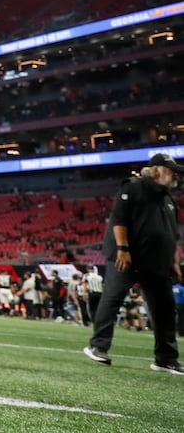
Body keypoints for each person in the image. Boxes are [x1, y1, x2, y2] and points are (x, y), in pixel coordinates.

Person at [83, 152, 182, 373]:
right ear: (157, 171)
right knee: (113, 297)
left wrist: (174, 261)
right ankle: (97, 346)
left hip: (156, 262)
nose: (176, 176)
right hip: (127, 257)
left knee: (165, 308)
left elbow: (172, 235)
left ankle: (165, 358)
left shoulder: (168, 199)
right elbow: (119, 219)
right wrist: (123, 249)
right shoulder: (134, 187)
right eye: (171, 171)